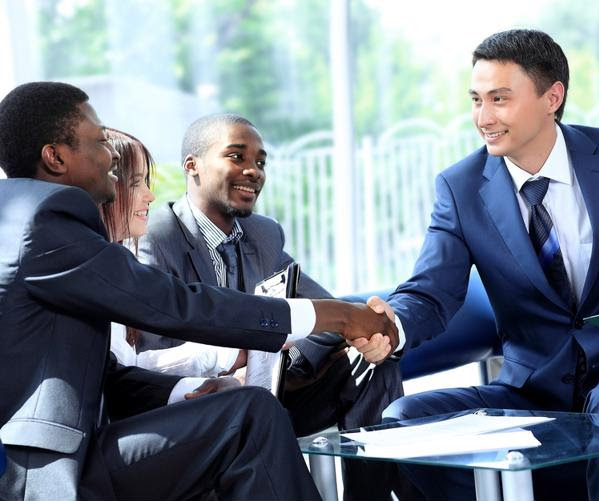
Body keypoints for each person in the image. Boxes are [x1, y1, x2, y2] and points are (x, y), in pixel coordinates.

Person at [363, 29, 599, 500]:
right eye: (476, 100)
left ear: (553, 97)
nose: (482, 117)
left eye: (499, 99)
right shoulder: (460, 187)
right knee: (401, 422)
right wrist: (392, 325)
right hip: (527, 395)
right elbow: (431, 289)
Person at [0, 81, 396, 500]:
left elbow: (107, 377)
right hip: (53, 474)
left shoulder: (22, 217)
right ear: (56, 157)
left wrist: (187, 391)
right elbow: (173, 304)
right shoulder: (46, 221)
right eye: (99, 140)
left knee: (243, 410)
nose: (111, 152)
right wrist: (338, 315)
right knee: (249, 417)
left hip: (81, 451)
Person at [133, 114, 403, 496]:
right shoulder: (157, 239)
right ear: (191, 165)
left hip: (270, 389)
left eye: (260, 162)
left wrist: (360, 334)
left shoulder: (263, 233)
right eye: (236, 156)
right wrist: (229, 371)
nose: (253, 171)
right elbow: (153, 354)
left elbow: (322, 307)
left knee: (374, 366)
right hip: (205, 401)